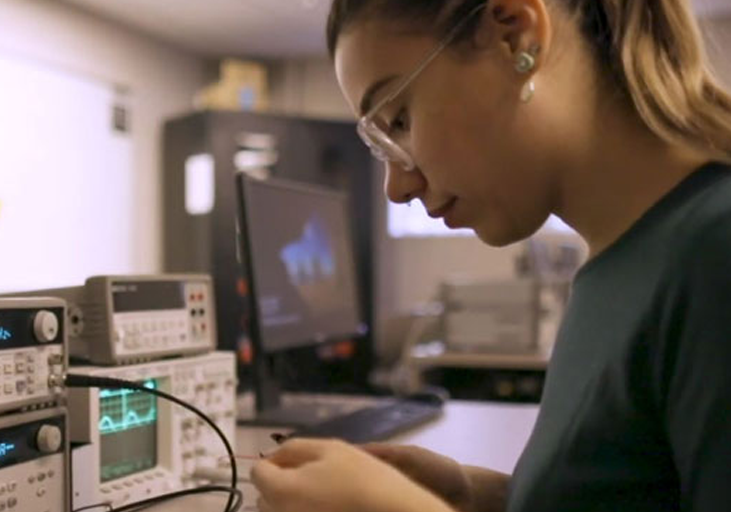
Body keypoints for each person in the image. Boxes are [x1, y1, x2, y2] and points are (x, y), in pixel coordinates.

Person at [250, 0, 731, 510]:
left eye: (399, 120)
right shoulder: (615, 267)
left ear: (513, 36)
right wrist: (479, 495)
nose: (396, 187)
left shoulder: (714, 251)